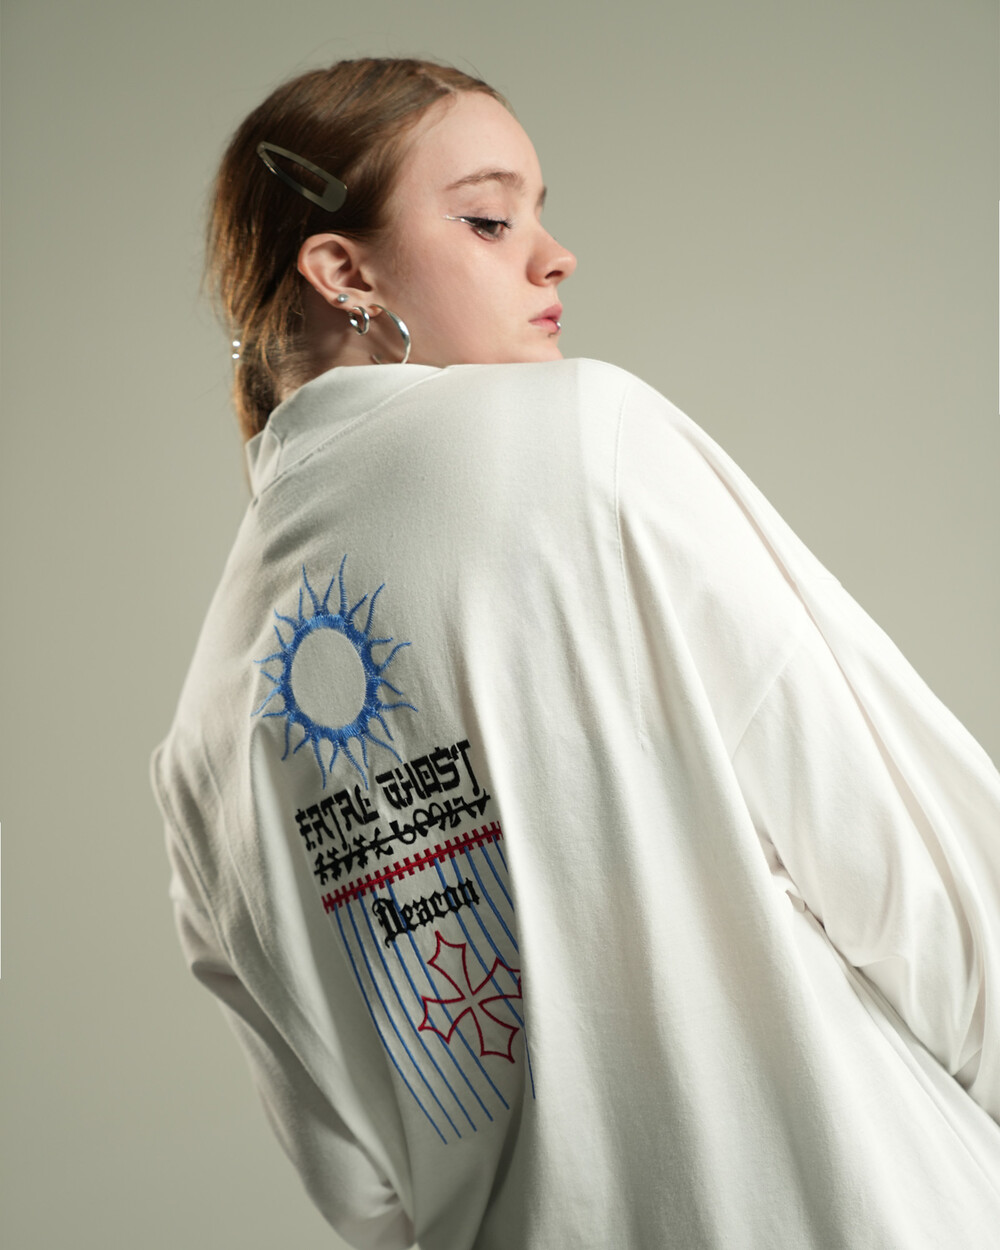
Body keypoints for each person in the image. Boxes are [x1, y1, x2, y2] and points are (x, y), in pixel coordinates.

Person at [151, 56, 1000, 1250]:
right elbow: (920, 878)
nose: (554, 256)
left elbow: (365, 1193)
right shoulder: (584, 443)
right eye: (489, 219)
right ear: (343, 270)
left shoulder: (200, 738)